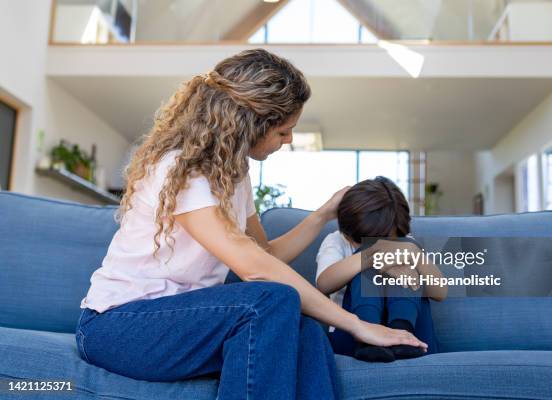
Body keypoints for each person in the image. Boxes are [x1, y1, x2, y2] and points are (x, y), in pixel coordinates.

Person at [75, 49, 420, 400]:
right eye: (283, 131)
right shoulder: (180, 169)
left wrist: (321, 215)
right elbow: (254, 267)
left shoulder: (235, 175)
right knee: (272, 300)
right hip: (118, 326)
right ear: (249, 124)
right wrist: (359, 326)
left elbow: (265, 253)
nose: (288, 141)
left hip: (188, 323)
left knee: (305, 325)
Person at [316, 176, 448, 363]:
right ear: (347, 231)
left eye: (387, 236)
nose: (381, 243)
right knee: (365, 266)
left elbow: (440, 292)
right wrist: (372, 256)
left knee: (404, 256)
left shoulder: (406, 242)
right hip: (355, 340)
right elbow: (324, 284)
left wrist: (412, 252)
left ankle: (402, 330)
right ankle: (369, 339)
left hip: (413, 341)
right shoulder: (336, 241)